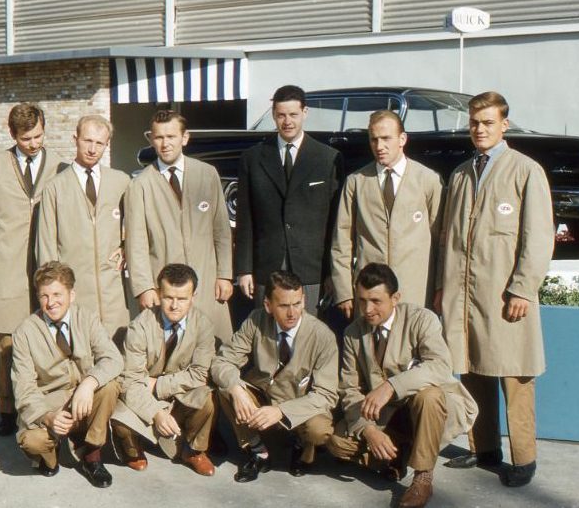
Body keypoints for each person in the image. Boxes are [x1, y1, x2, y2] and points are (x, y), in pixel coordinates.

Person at [434, 91, 555, 487]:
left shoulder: (525, 170)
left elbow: (538, 237)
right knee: (472, 368)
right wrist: (442, 288)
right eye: (474, 122)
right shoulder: (461, 174)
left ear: (504, 124)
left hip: (505, 295)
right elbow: (448, 238)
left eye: (487, 122)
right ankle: (482, 447)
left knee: (516, 376)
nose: (479, 129)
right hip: (465, 295)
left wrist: (522, 288)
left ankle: (524, 458)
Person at [328, 263, 477, 508]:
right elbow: (349, 389)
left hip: (430, 409)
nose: (367, 309)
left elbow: (440, 366)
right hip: (386, 416)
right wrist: (368, 430)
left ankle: (422, 476)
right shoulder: (353, 332)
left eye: (376, 301)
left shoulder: (422, 319)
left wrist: (390, 386)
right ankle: (398, 453)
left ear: (395, 298)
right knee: (336, 443)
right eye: (362, 300)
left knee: (428, 396)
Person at [0, 103, 65, 436]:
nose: (34, 143)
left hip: (46, 270)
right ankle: (7, 410)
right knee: (8, 345)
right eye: (26, 138)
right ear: (13, 135)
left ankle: (46, 407)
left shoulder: (60, 166)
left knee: (49, 342)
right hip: (7, 271)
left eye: (39, 135)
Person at [211, 270, 339, 482]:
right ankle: (258, 451)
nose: (292, 313)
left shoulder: (322, 335)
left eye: (297, 304)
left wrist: (282, 411)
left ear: (304, 300)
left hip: (299, 406)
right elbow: (222, 361)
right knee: (226, 388)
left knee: (320, 429)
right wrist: (235, 388)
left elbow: (326, 395)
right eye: (283, 305)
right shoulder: (256, 320)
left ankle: (301, 447)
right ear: (268, 305)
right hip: (264, 397)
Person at [124, 110, 233, 345]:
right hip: (166, 288)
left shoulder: (207, 174)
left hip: (206, 281)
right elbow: (136, 243)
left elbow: (221, 230)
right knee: (170, 350)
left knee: (215, 347)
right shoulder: (140, 185)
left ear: (185, 138)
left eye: (171, 136)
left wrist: (224, 274)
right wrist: (144, 288)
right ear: (151, 140)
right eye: (159, 137)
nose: (165, 144)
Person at [11, 261, 123, 487]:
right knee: (32, 442)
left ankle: (91, 454)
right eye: (44, 296)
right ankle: (49, 458)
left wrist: (89, 383)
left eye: (57, 294)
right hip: (50, 402)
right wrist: (47, 416)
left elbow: (114, 358)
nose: (50, 302)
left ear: (72, 295)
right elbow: (23, 388)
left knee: (110, 386)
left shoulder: (87, 318)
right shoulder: (25, 332)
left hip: (84, 397)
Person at [235, 84, 343, 315]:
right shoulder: (252, 158)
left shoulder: (328, 159)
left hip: (312, 267)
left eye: (293, 114)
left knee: (309, 336)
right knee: (266, 334)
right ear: (273, 115)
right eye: (281, 115)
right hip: (267, 265)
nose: (287, 122)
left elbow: (335, 223)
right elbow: (245, 219)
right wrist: (244, 269)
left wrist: (332, 273)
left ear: (305, 112)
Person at [331, 110, 443, 319]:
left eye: (386, 139)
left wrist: (440, 286)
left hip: (415, 289)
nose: (379, 146)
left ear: (402, 139)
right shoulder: (357, 181)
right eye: (374, 140)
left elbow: (441, 241)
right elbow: (342, 240)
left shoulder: (428, 180)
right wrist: (344, 290)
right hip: (369, 291)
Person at [111, 264, 217, 476]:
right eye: (168, 298)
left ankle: (194, 450)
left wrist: (159, 384)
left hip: (176, 394)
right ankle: (133, 447)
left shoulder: (203, 325)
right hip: (143, 394)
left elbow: (200, 374)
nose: (174, 306)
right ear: (159, 294)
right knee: (119, 418)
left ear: (193, 296)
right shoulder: (139, 326)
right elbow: (130, 382)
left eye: (182, 299)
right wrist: (156, 413)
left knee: (208, 399)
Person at [37, 114, 130, 342]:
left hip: (113, 291)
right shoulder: (55, 188)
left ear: (107, 145)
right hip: (76, 289)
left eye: (99, 143)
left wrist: (127, 245)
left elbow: (139, 227)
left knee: (118, 352)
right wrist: (54, 294)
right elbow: (46, 244)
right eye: (87, 141)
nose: (92, 149)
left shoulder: (121, 182)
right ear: (75, 139)